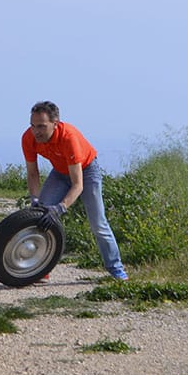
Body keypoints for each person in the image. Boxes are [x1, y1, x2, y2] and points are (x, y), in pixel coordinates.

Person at [22, 100, 128, 280]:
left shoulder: (68, 137)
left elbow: (77, 185)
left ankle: (116, 269)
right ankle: (39, 268)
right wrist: (35, 199)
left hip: (86, 171)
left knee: (98, 224)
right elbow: (33, 173)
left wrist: (60, 208)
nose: (36, 131)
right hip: (60, 172)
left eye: (41, 126)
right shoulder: (28, 138)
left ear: (55, 124)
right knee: (40, 214)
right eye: (33, 126)